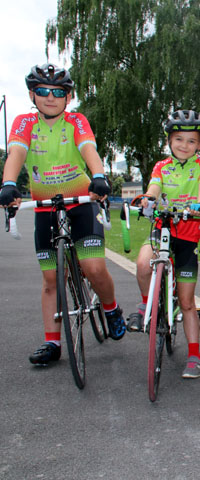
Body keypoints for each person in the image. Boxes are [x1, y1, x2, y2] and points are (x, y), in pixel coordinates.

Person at [0, 63, 126, 366]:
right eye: (42, 91)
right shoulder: (23, 122)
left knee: (94, 268)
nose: (50, 97)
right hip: (45, 206)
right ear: (32, 94)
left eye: (58, 92)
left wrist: (99, 177)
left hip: (81, 201)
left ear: (68, 98)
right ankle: (52, 342)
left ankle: (110, 309)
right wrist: (7, 184)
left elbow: (89, 150)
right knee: (50, 278)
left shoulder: (76, 121)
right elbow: (15, 153)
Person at [125, 110, 200, 379]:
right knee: (143, 262)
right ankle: (144, 306)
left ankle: (194, 355)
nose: (184, 145)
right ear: (169, 141)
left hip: (188, 235)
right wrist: (147, 200)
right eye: (178, 139)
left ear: (199, 144)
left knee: (187, 303)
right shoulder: (161, 166)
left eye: (191, 141)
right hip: (163, 228)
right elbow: (153, 188)